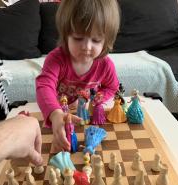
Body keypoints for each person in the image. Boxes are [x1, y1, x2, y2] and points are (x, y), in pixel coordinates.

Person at [36, 0, 120, 152]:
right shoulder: (56, 59)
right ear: (65, 35)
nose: (87, 47)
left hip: (87, 118)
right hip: (58, 115)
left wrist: (96, 99)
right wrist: (55, 114)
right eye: (78, 38)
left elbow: (112, 87)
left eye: (96, 40)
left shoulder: (105, 65)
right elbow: (44, 86)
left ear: (106, 40)